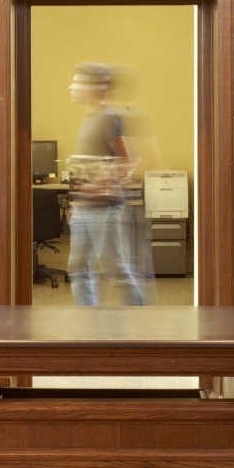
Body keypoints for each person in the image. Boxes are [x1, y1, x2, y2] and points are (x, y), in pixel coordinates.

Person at [64, 63, 150, 306]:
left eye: (77, 82)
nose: (72, 86)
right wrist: (77, 202)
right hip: (84, 208)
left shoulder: (110, 117)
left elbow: (128, 161)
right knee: (78, 270)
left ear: (95, 87)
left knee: (117, 270)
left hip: (104, 208)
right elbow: (90, 165)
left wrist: (97, 187)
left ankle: (145, 322)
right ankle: (88, 325)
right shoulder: (89, 118)